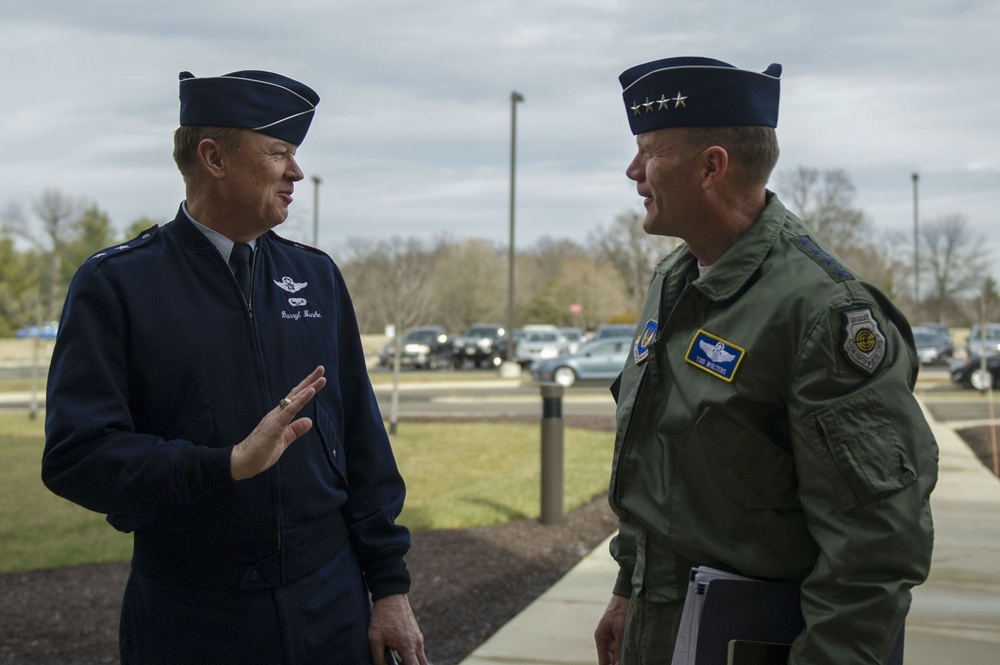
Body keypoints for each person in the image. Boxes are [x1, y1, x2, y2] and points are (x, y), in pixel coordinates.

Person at [41, 70, 427, 665]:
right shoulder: (117, 283)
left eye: (295, 155)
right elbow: (77, 456)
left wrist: (391, 588)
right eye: (279, 153)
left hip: (331, 602)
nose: (296, 172)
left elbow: (363, 442)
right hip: (192, 616)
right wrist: (222, 466)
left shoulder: (317, 276)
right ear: (213, 157)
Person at [593, 57, 938, 664]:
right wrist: (627, 591)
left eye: (648, 152)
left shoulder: (822, 313)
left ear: (712, 166)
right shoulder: (674, 280)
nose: (632, 171)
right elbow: (661, 475)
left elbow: (874, 555)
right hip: (660, 630)